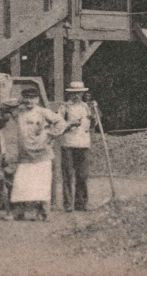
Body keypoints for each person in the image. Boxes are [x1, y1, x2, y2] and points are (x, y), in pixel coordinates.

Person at [10, 85, 65, 220]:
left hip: (42, 154)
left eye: (32, 98)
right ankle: (19, 213)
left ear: (38, 99)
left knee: (41, 184)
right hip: (24, 155)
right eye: (27, 98)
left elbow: (61, 123)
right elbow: (4, 107)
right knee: (21, 184)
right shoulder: (18, 112)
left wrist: (50, 134)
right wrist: (18, 101)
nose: (29, 102)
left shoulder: (43, 112)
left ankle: (44, 213)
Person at [57, 82, 94, 212]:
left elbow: (93, 123)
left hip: (83, 144)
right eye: (74, 93)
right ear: (70, 94)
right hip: (68, 143)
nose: (77, 96)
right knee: (67, 174)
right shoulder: (64, 107)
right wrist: (69, 124)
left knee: (83, 175)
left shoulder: (87, 107)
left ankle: (81, 203)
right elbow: (58, 125)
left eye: (79, 93)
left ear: (83, 93)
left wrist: (96, 112)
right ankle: (68, 204)